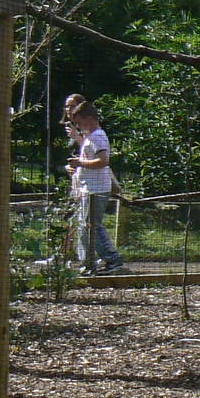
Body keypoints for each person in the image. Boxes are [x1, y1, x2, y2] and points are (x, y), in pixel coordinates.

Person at [67, 99, 126, 274]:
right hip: (89, 188)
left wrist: (80, 163)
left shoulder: (97, 137)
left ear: (89, 118)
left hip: (96, 189)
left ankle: (112, 259)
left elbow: (103, 161)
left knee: (92, 226)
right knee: (85, 226)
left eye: (79, 122)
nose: (78, 126)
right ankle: (88, 262)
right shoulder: (91, 137)